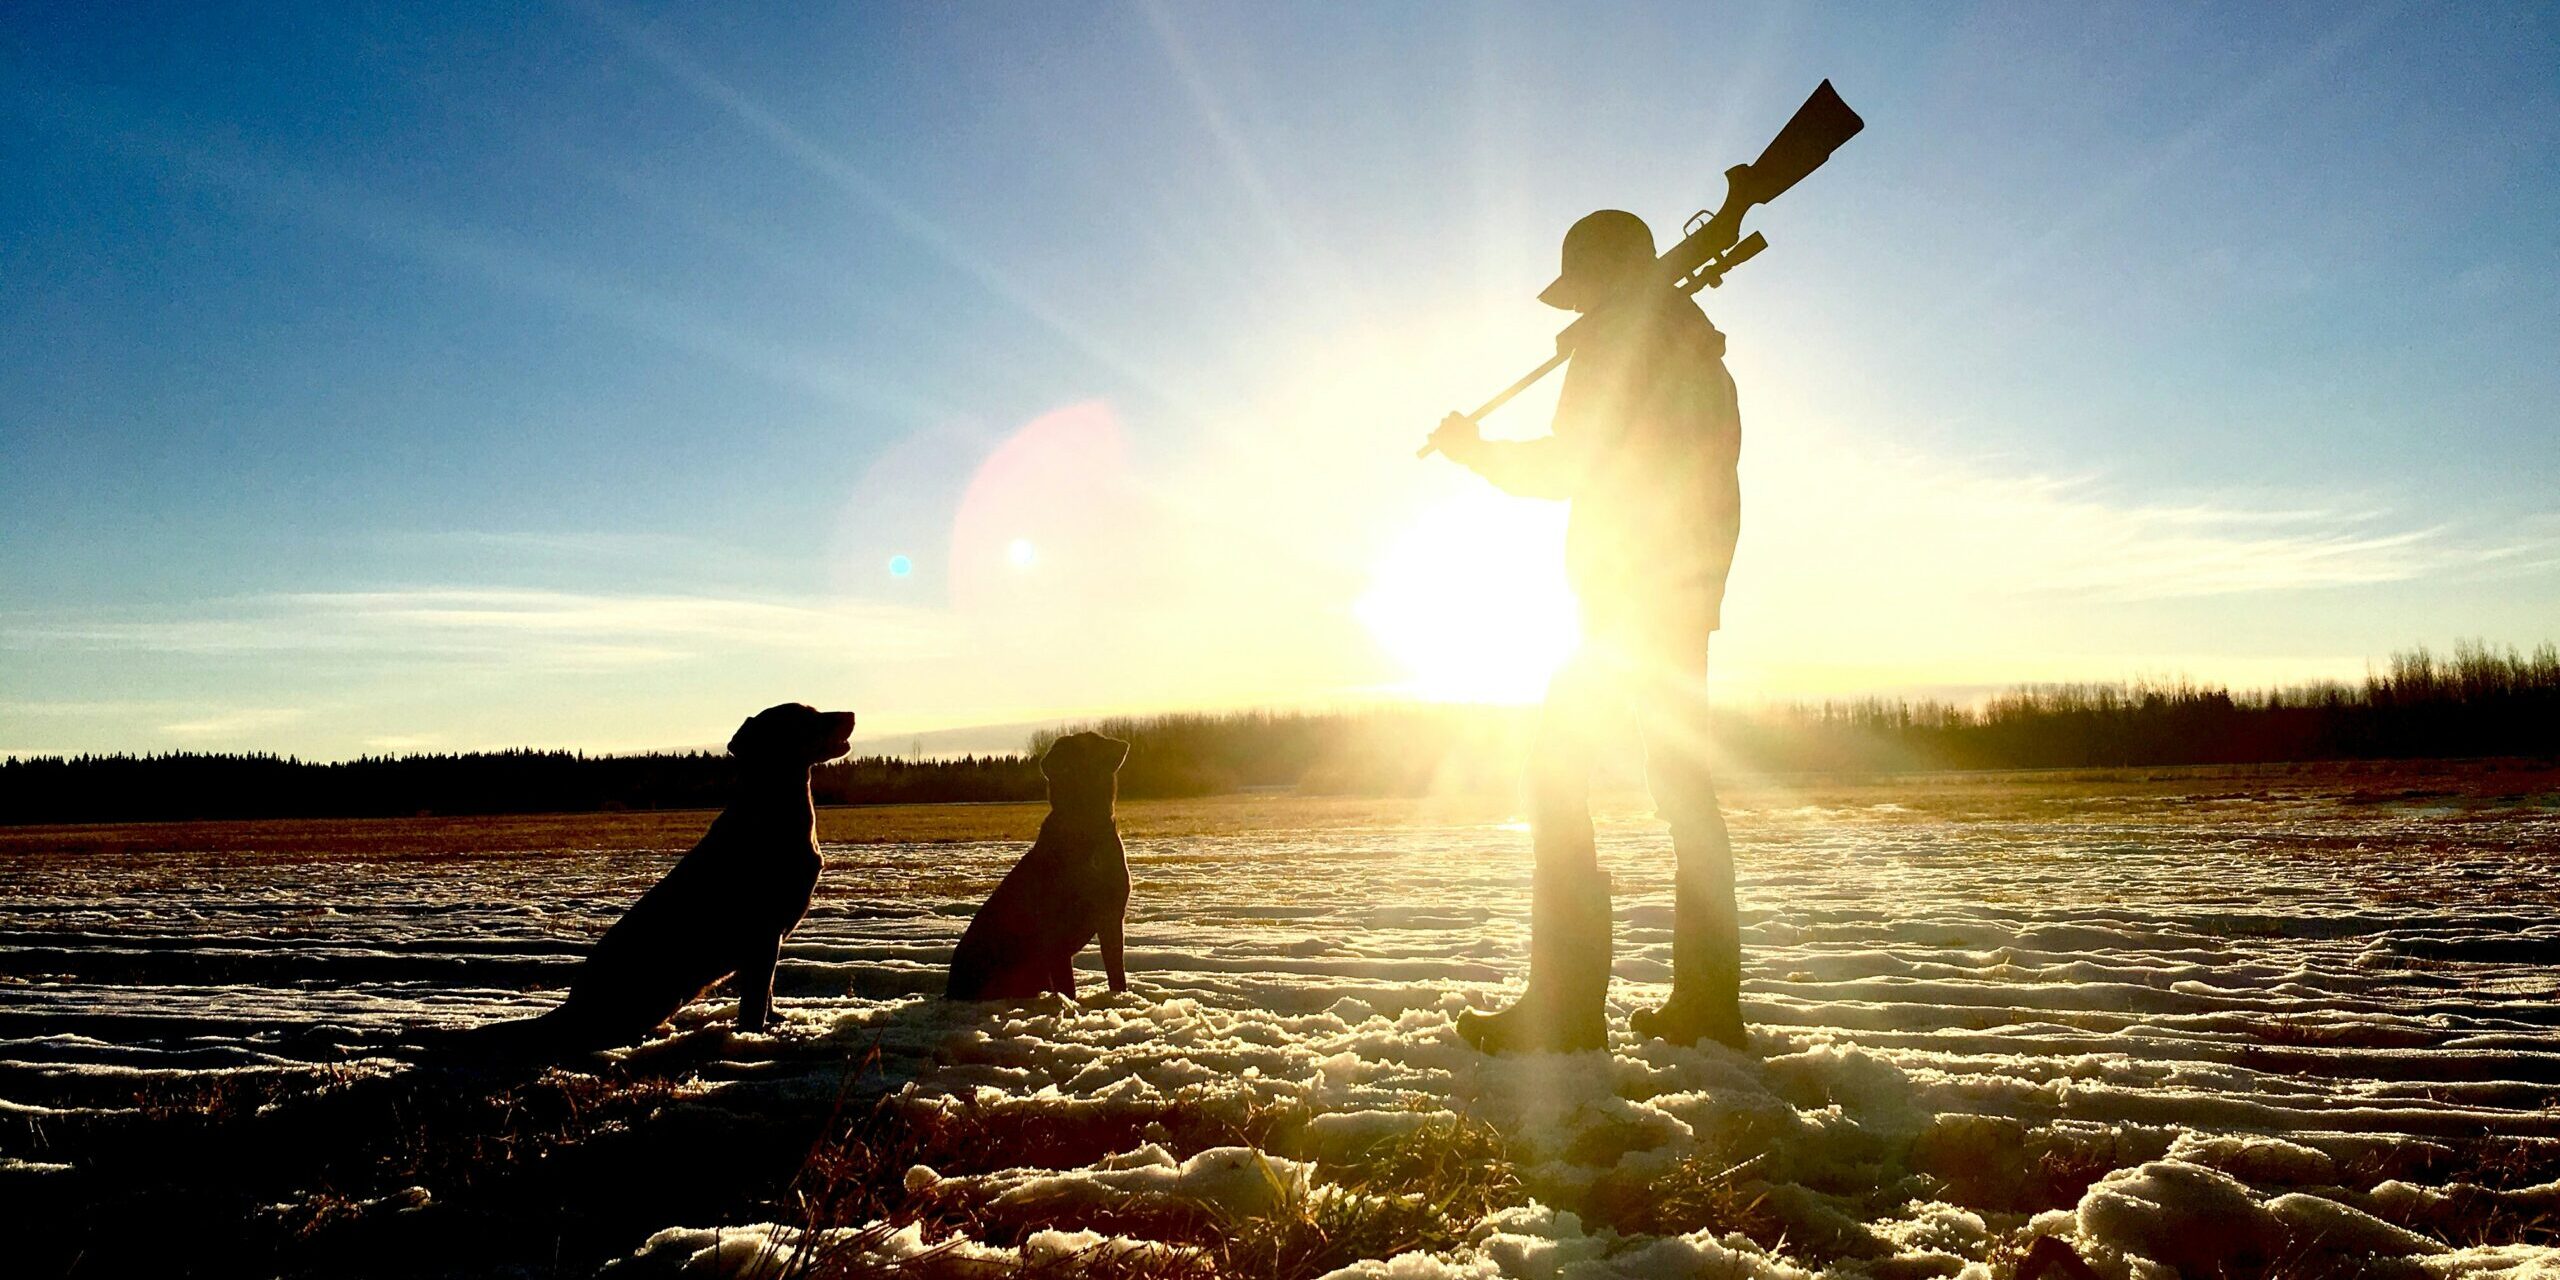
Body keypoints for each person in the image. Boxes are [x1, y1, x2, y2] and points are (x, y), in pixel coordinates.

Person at [1426, 208, 1746, 1053]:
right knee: (1685, 795)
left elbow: (1572, 466)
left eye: (1582, 294)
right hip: (1679, 599)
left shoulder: (1622, 349)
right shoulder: (1690, 345)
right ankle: (1710, 1007)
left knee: (1554, 775)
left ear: (1606, 280)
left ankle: (1565, 1010)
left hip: (1621, 604)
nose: (1572, 314)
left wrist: (1476, 451)